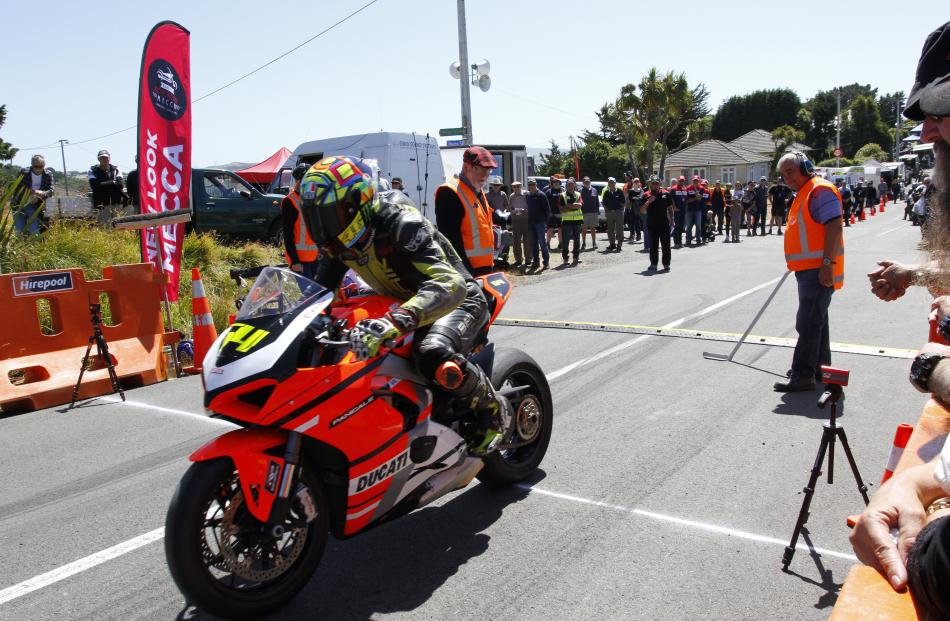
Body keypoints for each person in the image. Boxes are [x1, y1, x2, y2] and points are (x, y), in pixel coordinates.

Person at [302, 155, 508, 454]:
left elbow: (449, 284)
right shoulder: (340, 243)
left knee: (430, 353)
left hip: (456, 299)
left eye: (329, 216)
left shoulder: (401, 223)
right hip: (405, 304)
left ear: (357, 202)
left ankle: (492, 411)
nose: (322, 227)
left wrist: (392, 323)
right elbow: (319, 296)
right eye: (314, 217)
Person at [773, 152, 844, 392]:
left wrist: (827, 264)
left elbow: (834, 226)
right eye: (783, 175)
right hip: (809, 269)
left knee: (808, 323)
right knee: (817, 321)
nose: (787, 178)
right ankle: (821, 369)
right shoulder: (805, 192)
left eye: (790, 172)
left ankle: (803, 375)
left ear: (806, 167)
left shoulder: (819, 190)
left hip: (817, 269)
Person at [435, 146, 498, 277]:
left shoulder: (477, 190)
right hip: (467, 273)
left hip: (485, 269)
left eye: (488, 171)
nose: (485, 176)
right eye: (480, 169)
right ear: (466, 167)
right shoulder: (449, 192)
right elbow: (450, 241)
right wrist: (466, 275)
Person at [281, 163, 319, 279]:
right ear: (297, 180)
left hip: (317, 258)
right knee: (309, 295)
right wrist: (294, 260)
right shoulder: (289, 201)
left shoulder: (314, 199)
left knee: (320, 295)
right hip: (300, 260)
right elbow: (288, 234)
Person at [12, 154, 54, 235]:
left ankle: (34, 245)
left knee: (34, 230)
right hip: (19, 204)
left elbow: (51, 191)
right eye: (36, 166)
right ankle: (19, 245)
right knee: (19, 230)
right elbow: (17, 189)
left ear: (44, 165)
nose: (38, 169)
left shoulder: (48, 174)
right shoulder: (23, 172)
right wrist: (32, 192)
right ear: (31, 165)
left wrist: (42, 193)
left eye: (41, 166)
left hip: (36, 205)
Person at [642, 177, 673, 272]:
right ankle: (654, 264)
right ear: (650, 184)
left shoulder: (666, 194)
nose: (655, 185)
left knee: (666, 245)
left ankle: (666, 264)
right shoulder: (646, 194)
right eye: (653, 183)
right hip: (652, 223)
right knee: (653, 245)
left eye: (657, 183)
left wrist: (672, 220)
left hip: (664, 224)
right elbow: (641, 210)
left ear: (659, 184)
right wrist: (648, 202)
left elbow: (670, 208)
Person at [525, 179, 551, 270]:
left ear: (536, 184)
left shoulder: (541, 195)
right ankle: (536, 262)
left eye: (533, 184)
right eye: (530, 184)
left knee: (542, 243)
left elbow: (547, 210)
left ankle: (546, 262)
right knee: (533, 244)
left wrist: (545, 222)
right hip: (530, 223)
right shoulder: (527, 195)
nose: (531, 186)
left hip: (540, 223)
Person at [559, 179, 583, 265]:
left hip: (577, 221)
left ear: (575, 185)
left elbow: (580, 205)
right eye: (569, 184)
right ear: (566, 185)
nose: (570, 186)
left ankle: (576, 258)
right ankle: (565, 259)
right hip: (566, 222)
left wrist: (569, 206)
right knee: (565, 241)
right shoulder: (562, 195)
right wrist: (574, 206)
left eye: (572, 184)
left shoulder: (578, 194)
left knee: (577, 241)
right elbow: (561, 209)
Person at [508, 180, 531, 269]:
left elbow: (531, 205)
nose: (516, 188)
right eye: (514, 187)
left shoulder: (526, 194)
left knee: (527, 240)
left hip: (526, 219)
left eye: (518, 186)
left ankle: (528, 260)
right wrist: (513, 211)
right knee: (516, 241)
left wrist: (526, 210)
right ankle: (518, 260)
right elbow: (510, 208)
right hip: (516, 220)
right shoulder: (511, 196)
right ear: (512, 188)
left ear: (521, 186)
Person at [601, 176, 626, 251]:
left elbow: (623, 202)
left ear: (615, 183)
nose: (611, 184)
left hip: (618, 212)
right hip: (609, 213)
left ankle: (619, 244)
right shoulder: (606, 192)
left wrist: (621, 210)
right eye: (610, 182)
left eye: (612, 182)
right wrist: (607, 211)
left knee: (619, 229)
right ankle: (612, 244)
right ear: (608, 184)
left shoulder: (619, 191)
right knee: (610, 229)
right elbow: (604, 203)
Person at [579, 176, 600, 250]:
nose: (587, 182)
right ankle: (584, 243)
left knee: (593, 228)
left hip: (593, 212)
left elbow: (597, 201)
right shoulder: (580, 191)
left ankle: (594, 243)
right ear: (583, 182)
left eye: (588, 181)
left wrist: (598, 211)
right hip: (583, 213)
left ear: (590, 181)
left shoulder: (594, 190)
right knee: (583, 229)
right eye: (585, 181)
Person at [544, 176, 563, 251]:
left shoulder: (562, 191)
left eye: (558, 182)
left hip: (561, 214)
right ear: (552, 184)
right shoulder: (548, 191)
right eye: (555, 182)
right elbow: (545, 203)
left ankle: (561, 243)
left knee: (560, 229)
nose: (556, 184)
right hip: (551, 214)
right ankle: (547, 243)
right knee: (550, 229)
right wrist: (549, 212)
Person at [625, 174, 643, 243]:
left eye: (637, 182)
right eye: (635, 182)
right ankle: (632, 235)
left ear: (639, 183)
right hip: (632, 208)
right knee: (631, 222)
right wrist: (636, 198)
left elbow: (641, 199)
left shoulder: (641, 191)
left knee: (637, 223)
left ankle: (639, 235)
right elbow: (630, 199)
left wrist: (636, 198)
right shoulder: (630, 191)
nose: (636, 183)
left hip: (638, 209)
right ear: (633, 183)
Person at [684, 176, 703, 246]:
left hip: (698, 210)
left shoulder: (701, 188)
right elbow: (687, 200)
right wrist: (695, 197)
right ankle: (688, 239)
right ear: (692, 181)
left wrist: (695, 193)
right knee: (688, 226)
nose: (695, 182)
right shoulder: (688, 188)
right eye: (694, 181)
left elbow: (700, 198)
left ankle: (698, 239)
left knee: (698, 225)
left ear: (699, 181)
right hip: (689, 210)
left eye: (697, 181)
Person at [671, 175, 688, 248]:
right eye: (680, 180)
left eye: (683, 180)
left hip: (683, 210)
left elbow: (686, 199)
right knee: (677, 226)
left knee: (681, 227)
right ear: (678, 181)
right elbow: (671, 199)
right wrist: (674, 207)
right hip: (677, 210)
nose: (681, 182)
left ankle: (680, 242)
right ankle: (676, 242)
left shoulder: (685, 189)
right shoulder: (674, 189)